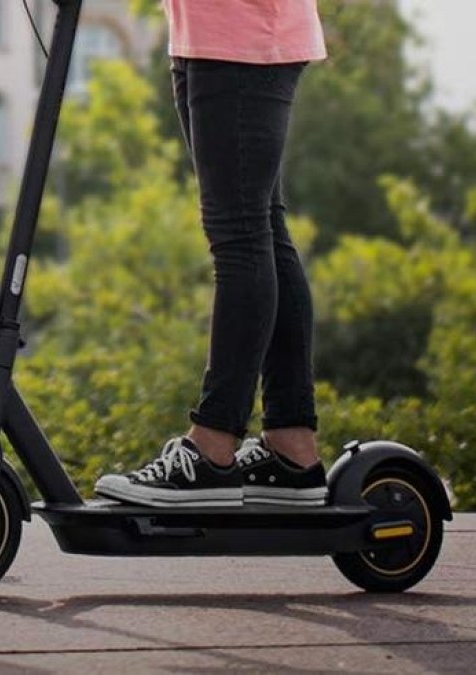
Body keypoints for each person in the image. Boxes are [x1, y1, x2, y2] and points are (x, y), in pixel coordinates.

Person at [95, 0, 329, 508]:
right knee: (261, 227)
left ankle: (212, 448)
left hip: (240, 32)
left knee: (242, 236)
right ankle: (292, 447)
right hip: (213, 31)